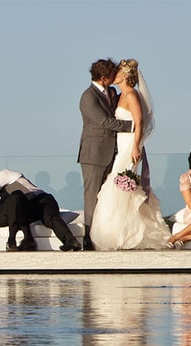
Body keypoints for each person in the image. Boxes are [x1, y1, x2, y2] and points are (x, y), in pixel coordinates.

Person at [88, 59, 172, 250]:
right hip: (120, 144)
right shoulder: (120, 95)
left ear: (125, 75)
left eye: (117, 72)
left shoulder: (132, 95)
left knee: (120, 185)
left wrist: (135, 147)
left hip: (129, 145)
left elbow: (139, 122)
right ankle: (118, 232)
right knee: (118, 185)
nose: (114, 74)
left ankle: (124, 234)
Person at [0, 145, 83, 251]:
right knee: (48, 218)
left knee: (42, 214)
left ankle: (70, 241)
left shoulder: (4, 174)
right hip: (38, 204)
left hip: (39, 200)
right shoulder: (5, 191)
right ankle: (67, 241)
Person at [78, 58, 134, 250]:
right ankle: (88, 237)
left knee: (107, 196)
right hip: (93, 155)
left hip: (112, 152)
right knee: (92, 196)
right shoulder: (88, 97)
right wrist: (132, 126)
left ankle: (105, 235)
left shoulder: (110, 92)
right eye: (112, 75)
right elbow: (105, 122)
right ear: (103, 78)